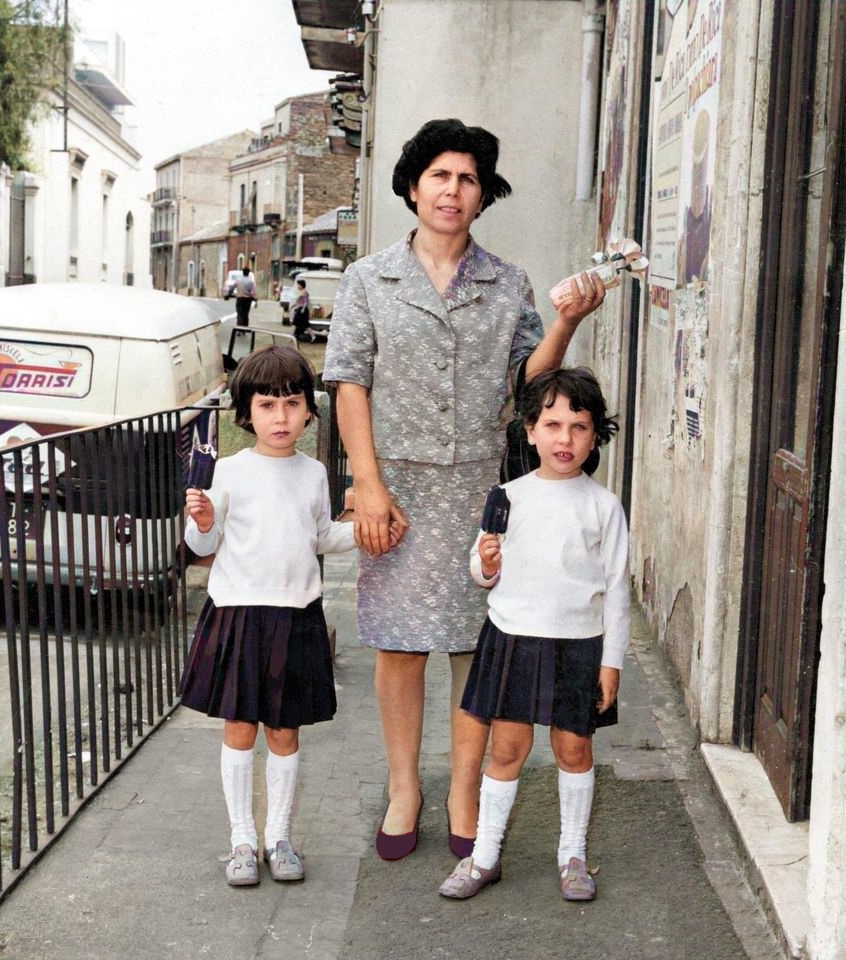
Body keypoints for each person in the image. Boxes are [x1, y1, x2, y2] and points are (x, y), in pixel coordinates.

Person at [322, 118, 606, 861]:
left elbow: (529, 383)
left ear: (483, 196)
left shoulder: (506, 282)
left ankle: (465, 787)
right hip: (398, 485)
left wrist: (568, 320)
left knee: (477, 645)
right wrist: (368, 485)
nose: (453, 190)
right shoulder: (367, 280)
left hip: (482, 486)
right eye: (440, 176)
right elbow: (349, 383)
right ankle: (405, 787)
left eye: (468, 178)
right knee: (398, 646)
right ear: (413, 187)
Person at [438, 366, 629, 902]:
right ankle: (485, 855)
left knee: (573, 748)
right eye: (551, 424)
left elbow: (616, 590)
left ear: (595, 435)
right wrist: (487, 562)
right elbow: (481, 570)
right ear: (529, 430)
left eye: (579, 426)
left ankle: (573, 855)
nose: (564, 438)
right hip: (514, 637)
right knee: (507, 749)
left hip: (578, 646)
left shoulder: (603, 505)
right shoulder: (508, 496)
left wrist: (610, 661)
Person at [180, 344, 356, 887]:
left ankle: (279, 837)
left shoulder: (314, 473)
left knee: (284, 731)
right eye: (266, 405)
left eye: (292, 404)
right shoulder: (229, 472)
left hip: (296, 616)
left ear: (309, 411)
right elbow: (199, 541)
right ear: (246, 413)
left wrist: (371, 536)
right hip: (239, 615)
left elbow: (322, 536)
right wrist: (204, 519)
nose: (280, 418)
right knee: (239, 727)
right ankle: (241, 840)